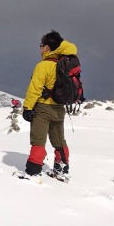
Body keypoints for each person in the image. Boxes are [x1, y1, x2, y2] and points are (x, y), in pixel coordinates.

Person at [21, 30, 77, 178]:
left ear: (46, 48)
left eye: (41, 45)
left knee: (38, 141)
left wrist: (27, 108)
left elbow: (35, 88)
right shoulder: (64, 64)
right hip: (59, 109)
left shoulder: (43, 66)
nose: (40, 49)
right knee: (59, 141)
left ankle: (32, 172)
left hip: (43, 108)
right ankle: (61, 170)